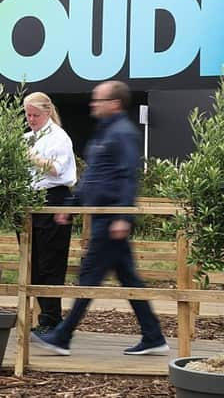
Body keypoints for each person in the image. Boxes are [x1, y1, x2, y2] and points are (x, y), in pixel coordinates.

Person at [32, 81, 170, 356]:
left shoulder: (123, 134)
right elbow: (94, 177)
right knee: (129, 279)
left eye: (99, 100)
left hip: (110, 220)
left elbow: (128, 176)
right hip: (101, 218)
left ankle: (62, 336)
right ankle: (153, 335)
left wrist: (122, 217)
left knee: (89, 276)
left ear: (114, 104)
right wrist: (71, 205)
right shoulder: (104, 132)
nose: (93, 104)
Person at [23, 92, 76, 333]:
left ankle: (52, 318)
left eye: (35, 115)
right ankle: (46, 316)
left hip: (53, 197)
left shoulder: (59, 137)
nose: (31, 119)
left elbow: (56, 169)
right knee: (34, 260)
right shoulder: (29, 137)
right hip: (31, 199)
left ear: (47, 112)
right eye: (28, 114)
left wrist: (32, 157)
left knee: (51, 261)